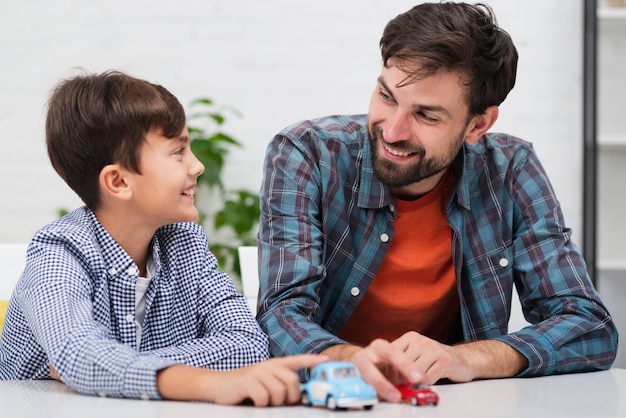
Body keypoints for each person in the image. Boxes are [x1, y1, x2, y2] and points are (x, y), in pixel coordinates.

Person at [256, 2, 618, 403]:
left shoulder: (511, 169)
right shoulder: (307, 154)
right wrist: (350, 361)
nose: (393, 131)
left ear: (478, 125)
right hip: (328, 402)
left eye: (426, 116)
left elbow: (589, 327)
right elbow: (279, 315)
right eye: (386, 96)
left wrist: (469, 359)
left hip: (448, 404)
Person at [0, 70, 325, 406]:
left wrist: (111, 364)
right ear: (119, 182)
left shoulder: (185, 244)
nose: (197, 166)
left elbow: (248, 344)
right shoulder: (60, 254)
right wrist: (208, 383)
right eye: (178, 152)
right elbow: (81, 355)